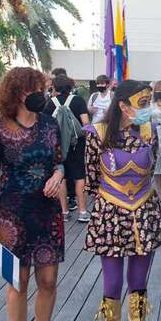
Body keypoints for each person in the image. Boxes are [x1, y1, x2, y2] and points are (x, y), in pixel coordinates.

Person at [0, 67, 66, 321]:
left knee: (48, 280)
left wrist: (57, 176)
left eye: (43, 88)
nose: (41, 94)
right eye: (35, 88)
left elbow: (59, 162)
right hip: (10, 216)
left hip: (47, 213)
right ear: (17, 91)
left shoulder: (50, 124)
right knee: (18, 281)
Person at [83, 80, 161, 321]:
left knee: (138, 280)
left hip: (144, 213)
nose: (146, 109)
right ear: (123, 105)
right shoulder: (96, 134)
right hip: (111, 214)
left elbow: (153, 167)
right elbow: (92, 178)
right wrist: (112, 203)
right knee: (111, 280)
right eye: (142, 103)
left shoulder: (149, 131)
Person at [43, 74, 91, 222]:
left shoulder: (50, 103)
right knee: (79, 177)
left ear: (54, 87)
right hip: (77, 144)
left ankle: (64, 212)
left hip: (57, 145)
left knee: (61, 176)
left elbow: (45, 125)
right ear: (70, 87)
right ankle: (82, 211)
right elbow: (86, 123)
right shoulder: (78, 100)